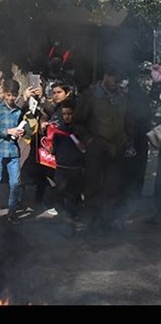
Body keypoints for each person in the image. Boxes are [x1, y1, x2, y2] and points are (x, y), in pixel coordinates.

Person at [73, 64, 129, 231]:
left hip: (116, 147)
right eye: (112, 77)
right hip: (96, 146)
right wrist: (88, 140)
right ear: (105, 76)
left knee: (112, 185)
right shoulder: (90, 95)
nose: (114, 82)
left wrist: (127, 139)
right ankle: (91, 219)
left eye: (117, 79)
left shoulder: (121, 96)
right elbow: (78, 121)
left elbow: (127, 121)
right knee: (93, 185)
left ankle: (109, 220)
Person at [0, 79, 27, 227]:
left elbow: (24, 128)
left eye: (13, 95)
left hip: (13, 151)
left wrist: (21, 132)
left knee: (15, 184)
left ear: (17, 94)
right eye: (8, 95)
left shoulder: (19, 111)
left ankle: (12, 213)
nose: (11, 98)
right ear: (3, 93)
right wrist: (7, 131)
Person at [45, 99, 86, 228]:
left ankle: (72, 215)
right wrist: (51, 149)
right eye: (64, 114)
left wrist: (82, 146)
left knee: (74, 193)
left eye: (70, 113)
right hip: (61, 168)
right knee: (60, 191)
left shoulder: (80, 131)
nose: (67, 117)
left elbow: (84, 149)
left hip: (75, 168)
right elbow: (54, 150)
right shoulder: (58, 131)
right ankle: (64, 215)